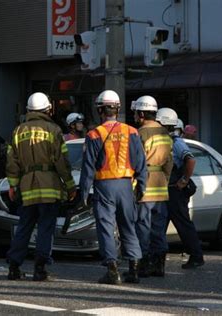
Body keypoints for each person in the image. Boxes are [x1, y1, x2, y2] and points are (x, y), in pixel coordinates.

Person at [6, 92, 76, 281]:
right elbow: (62, 162)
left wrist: (13, 185)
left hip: (27, 187)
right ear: (47, 109)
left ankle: (14, 266)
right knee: (45, 228)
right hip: (50, 187)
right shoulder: (54, 130)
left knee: (24, 227)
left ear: (29, 110)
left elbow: (12, 162)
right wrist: (70, 186)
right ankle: (40, 269)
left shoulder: (18, 131)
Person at [79, 90, 147, 285]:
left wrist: (83, 194)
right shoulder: (131, 131)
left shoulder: (94, 134)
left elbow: (88, 168)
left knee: (106, 228)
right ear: (117, 109)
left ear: (100, 110)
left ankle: (112, 271)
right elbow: (141, 162)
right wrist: (141, 185)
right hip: (126, 186)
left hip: (104, 187)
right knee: (128, 225)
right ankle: (134, 269)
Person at [157, 108, 205, 269]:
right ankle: (156, 258)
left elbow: (190, 161)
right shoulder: (163, 141)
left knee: (183, 225)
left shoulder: (176, 143)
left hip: (174, 191)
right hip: (165, 190)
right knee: (159, 225)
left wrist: (184, 180)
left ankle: (196, 256)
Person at [132, 96, 173, 277]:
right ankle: (159, 265)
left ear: (141, 114)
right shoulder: (165, 133)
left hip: (144, 186)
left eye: (135, 113)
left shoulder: (140, 134)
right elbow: (169, 163)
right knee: (158, 228)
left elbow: (136, 162)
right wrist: (164, 179)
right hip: (161, 186)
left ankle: (143, 265)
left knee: (142, 226)